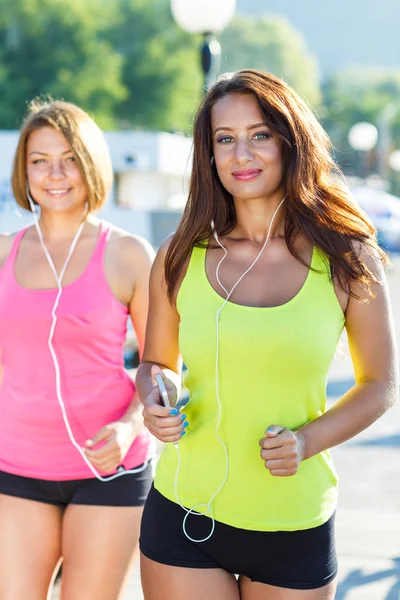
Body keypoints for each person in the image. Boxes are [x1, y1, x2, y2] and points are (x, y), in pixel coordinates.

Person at [136, 70, 398, 600]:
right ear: (208, 154)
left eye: (259, 134)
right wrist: (155, 398)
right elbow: (154, 363)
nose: (241, 154)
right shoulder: (179, 255)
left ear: (289, 140)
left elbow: (381, 384)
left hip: (292, 520)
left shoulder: (349, 258)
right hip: (185, 513)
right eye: (224, 138)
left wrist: (307, 442)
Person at [0, 100, 155, 600]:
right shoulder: (2, 252)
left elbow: (163, 363)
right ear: (24, 170)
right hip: (17, 463)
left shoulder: (128, 253)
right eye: (39, 160)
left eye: (69, 157)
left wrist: (130, 424)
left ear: (92, 164)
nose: (55, 174)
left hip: (109, 468)